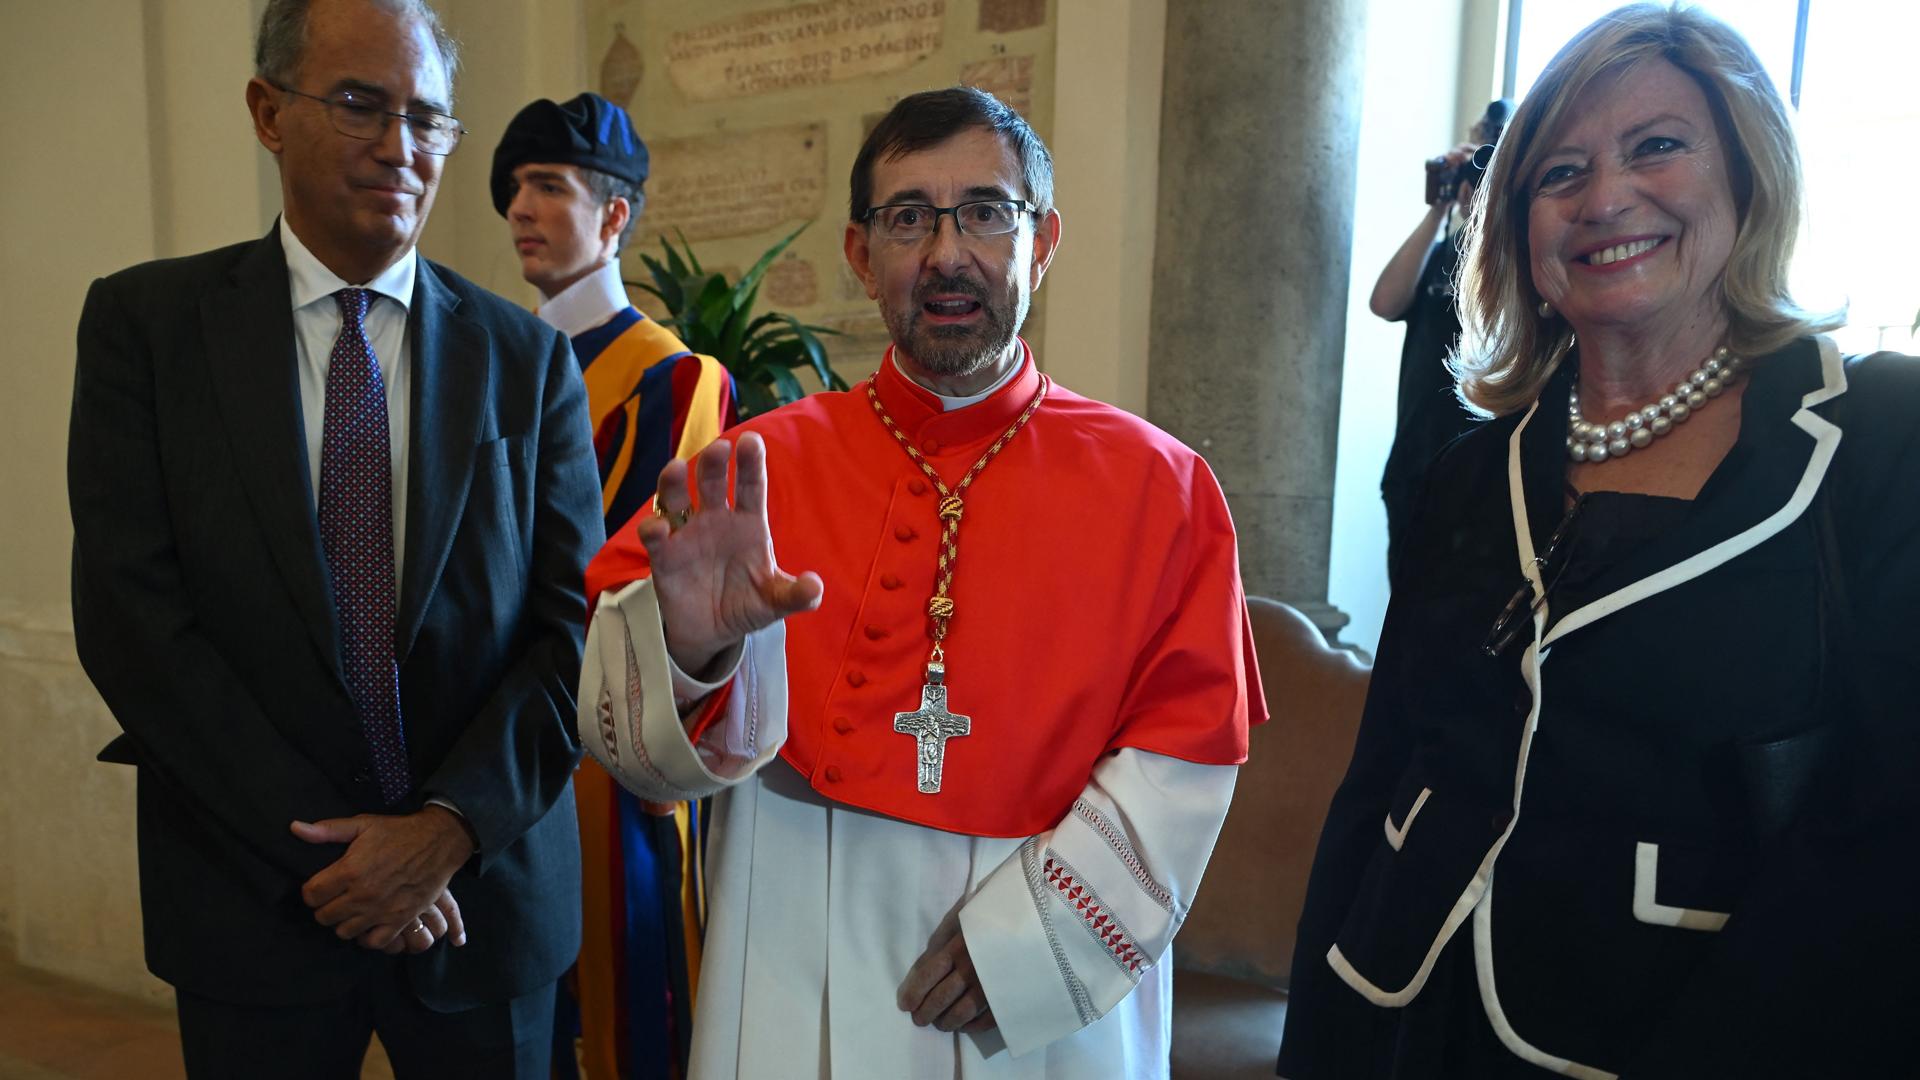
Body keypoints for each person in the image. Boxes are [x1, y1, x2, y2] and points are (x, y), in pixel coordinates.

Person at [1278, 6, 1919, 1079]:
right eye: (1560, 172)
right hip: (1403, 1019)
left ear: (1748, 178)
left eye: (1657, 146)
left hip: (1690, 1035)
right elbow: (1381, 773)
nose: (1606, 196)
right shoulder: (1474, 474)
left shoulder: (1882, 442)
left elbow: (1888, 837)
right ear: (1522, 233)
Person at [577, 86, 1266, 1078]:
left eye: (988, 211)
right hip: (792, 925)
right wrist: (691, 651)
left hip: (1039, 949)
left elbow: (1190, 746)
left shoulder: (1163, 486)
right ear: (863, 256)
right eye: (908, 218)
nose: (948, 253)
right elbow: (627, 747)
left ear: (1046, 241)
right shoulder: (753, 467)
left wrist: (1040, 947)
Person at [66, 0, 603, 1075]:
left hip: (482, 906)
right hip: (251, 898)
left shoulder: (528, 361)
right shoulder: (149, 332)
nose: (401, 148)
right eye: (362, 104)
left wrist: (444, 832)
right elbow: (135, 624)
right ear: (269, 112)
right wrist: (346, 857)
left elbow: (570, 632)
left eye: (429, 118)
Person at [491, 92, 735, 1080]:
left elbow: (627, 575)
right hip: (490, 753)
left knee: (630, 1019)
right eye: (513, 188)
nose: (519, 209)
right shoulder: (495, 362)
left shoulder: (676, 383)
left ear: (616, 215)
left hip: (600, 746)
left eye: (549, 186)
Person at [1371, 99, 1510, 576]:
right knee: (1405, 628)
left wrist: (1497, 210)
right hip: (1415, 463)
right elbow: (1384, 302)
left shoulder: (1516, 264)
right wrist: (1439, 209)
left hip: (1483, 474)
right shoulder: (1439, 254)